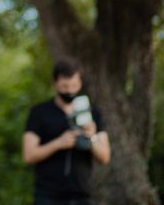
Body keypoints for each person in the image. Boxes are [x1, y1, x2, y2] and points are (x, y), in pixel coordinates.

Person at [23, 58, 111, 205]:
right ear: (55, 83)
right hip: (47, 196)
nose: (70, 90)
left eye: (74, 85)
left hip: (81, 196)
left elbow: (105, 158)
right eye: (65, 86)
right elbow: (28, 156)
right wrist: (58, 143)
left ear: (80, 83)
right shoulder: (40, 112)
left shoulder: (93, 113)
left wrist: (91, 137)